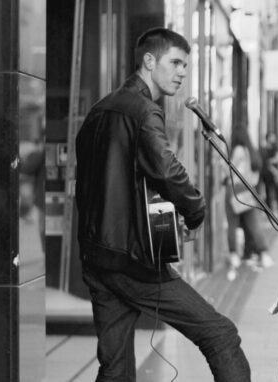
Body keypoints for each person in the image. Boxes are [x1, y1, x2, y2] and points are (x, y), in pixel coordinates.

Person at [74, 28, 251, 381]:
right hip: (132, 262)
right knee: (221, 335)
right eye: (175, 63)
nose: (182, 72)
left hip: (97, 257)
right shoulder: (143, 111)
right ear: (149, 61)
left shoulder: (99, 111)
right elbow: (166, 169)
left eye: (185, 65)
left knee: (116, 367)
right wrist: (195, 210)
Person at [225, 127, 273, 280]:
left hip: (235, 189)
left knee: (232, 224)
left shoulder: (238, 150)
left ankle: (234, 255)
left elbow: (230, 170)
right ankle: (263, 253)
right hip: (249, 190)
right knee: (253, 224)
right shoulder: (252, 151)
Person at [260, 132, 278, 217]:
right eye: (272, 137)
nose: (274, 139)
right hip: (267, 175)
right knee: (268, 194)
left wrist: (272, 162)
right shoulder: (264, 149)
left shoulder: (276, 148)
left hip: (275, 175)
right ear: (268, 138)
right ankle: (269, 212)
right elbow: (265, 162)